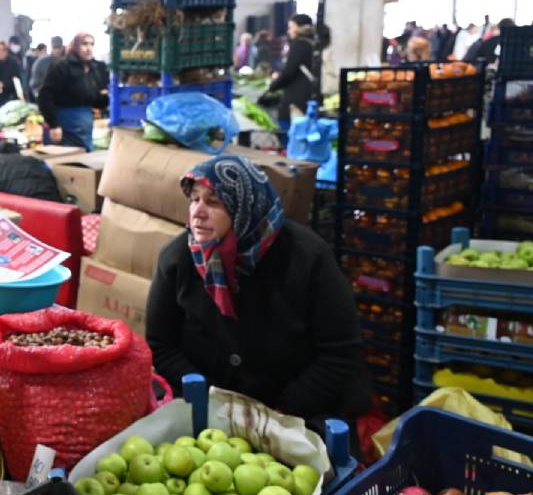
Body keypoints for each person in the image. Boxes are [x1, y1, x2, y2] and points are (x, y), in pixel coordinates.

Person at [146, 155, 371, 428]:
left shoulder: (307, 257)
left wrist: (281, 413)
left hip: (299, 411)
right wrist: (210, 401)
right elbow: (161, 344)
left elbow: (340, 352)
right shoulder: (178, 258)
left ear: (245, 206)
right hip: (211, 411)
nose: (198, 212)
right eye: (194, 200)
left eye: (214, 202)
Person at [38, 32, 109, 151]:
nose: (89, 48)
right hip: (64, 127)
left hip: (84, 128)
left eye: (91, 44)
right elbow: (45, 97)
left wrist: (109, 98)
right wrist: (54, 125)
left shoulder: (92, 69)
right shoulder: (61, 66)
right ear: (75, 46)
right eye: (84, 44)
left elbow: (93, 99)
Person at [265, 14, 317, 129]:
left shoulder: (299, 45)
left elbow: (289, 72)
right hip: (308, 94)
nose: (289, 31)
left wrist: (273, 86)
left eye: (291, 27)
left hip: (297, 97)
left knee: (291, 131)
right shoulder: (312, 44)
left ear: (299, 28)